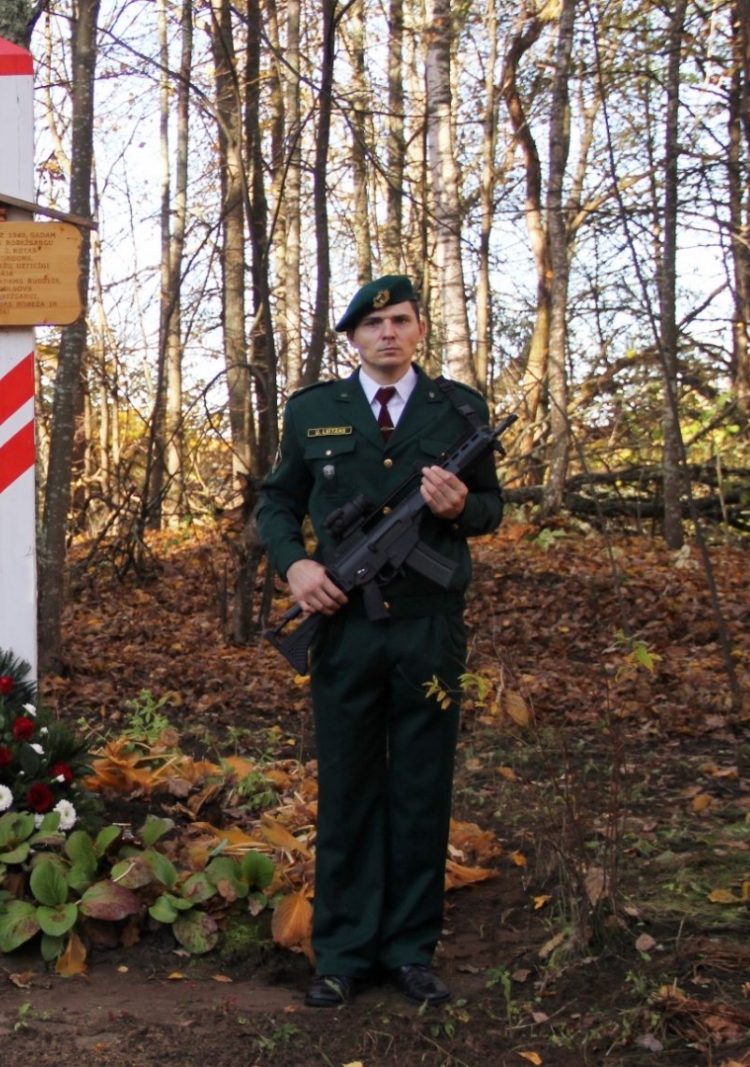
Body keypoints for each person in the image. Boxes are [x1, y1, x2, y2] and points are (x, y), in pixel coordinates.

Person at [255, 275, 503, 1008]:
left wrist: (461, 509)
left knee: (423, 787)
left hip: (429, 625)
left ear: (419, 329)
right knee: (350, 787)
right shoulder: (314, 412)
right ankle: (340, 951)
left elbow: (490, 506)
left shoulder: (457, 409)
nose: (387, 333)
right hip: (345, 627)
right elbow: (277, 501)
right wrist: (296, 564)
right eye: (373, 324)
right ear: (354, 338)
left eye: (400, 320)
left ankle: (409, 949)